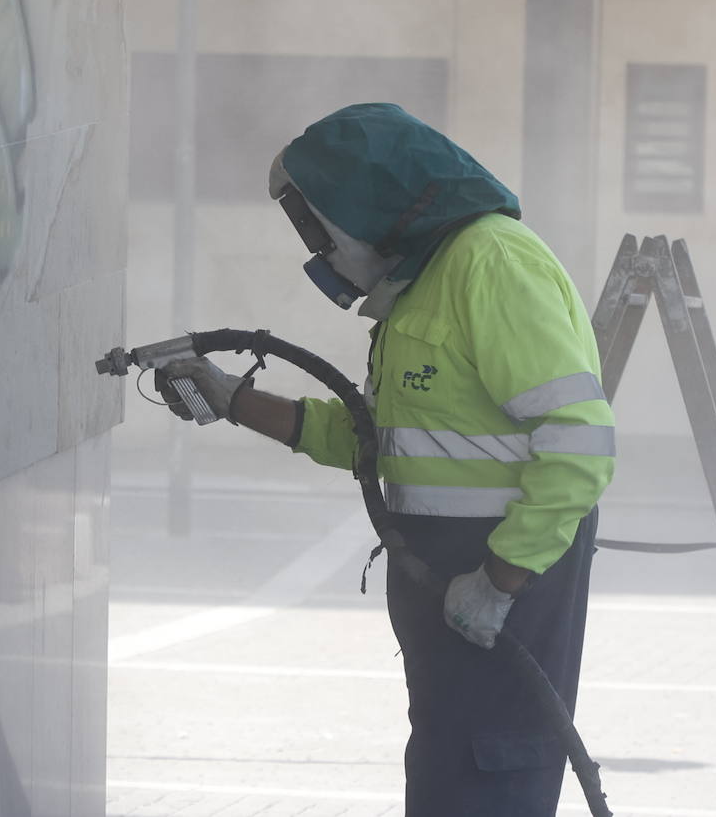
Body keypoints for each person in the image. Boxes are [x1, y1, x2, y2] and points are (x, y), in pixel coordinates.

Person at [157, 103, 615, 815]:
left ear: (363, 202)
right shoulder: (420, 288)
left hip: (504, 580)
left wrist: (500, 580)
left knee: (492, 774)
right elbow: (377, 439)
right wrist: (234, 400)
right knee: (446, 778)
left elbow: (579, 440)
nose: (314, 247)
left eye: (314, 224)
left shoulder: (491, 262)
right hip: (452, 577)